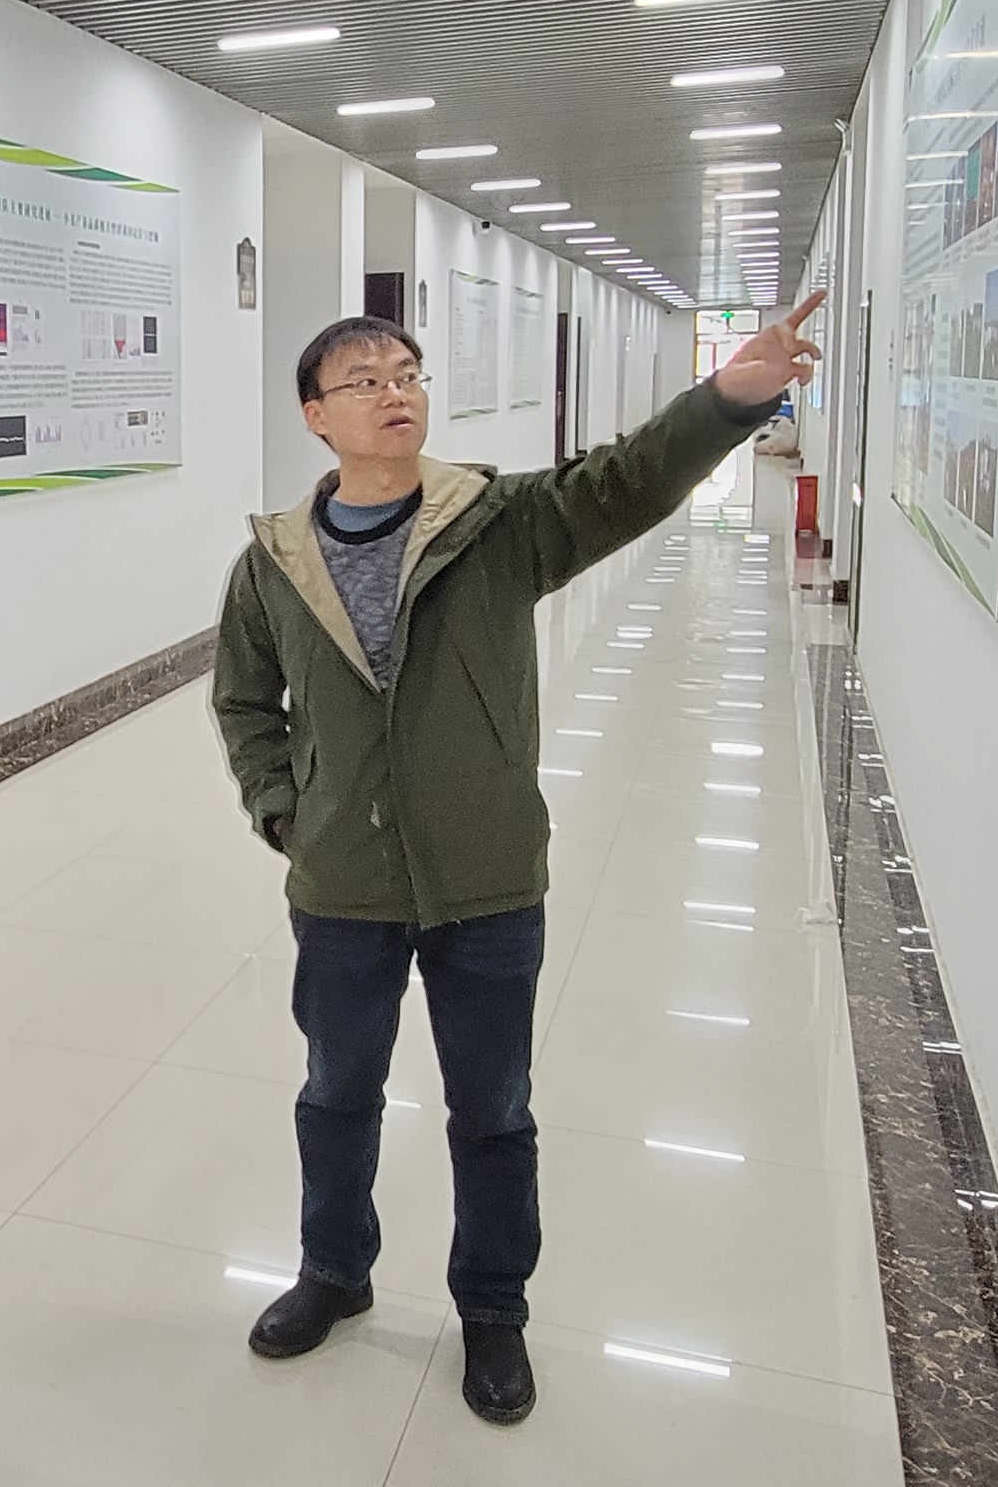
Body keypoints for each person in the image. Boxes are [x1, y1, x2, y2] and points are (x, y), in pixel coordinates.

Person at [212, 298, 817, 1423]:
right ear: (315, 416)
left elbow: (625, 481)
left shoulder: (495, 524)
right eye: (364, 380)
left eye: (407, 372)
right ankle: (333, 1271)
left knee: (492, 1111)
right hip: (341, 883)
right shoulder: (273, 563)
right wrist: (285, 812)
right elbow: (245, 702)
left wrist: (728, 399)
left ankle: (493, 1307)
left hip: (486, 874)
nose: (395, 392)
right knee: (336, 1095)